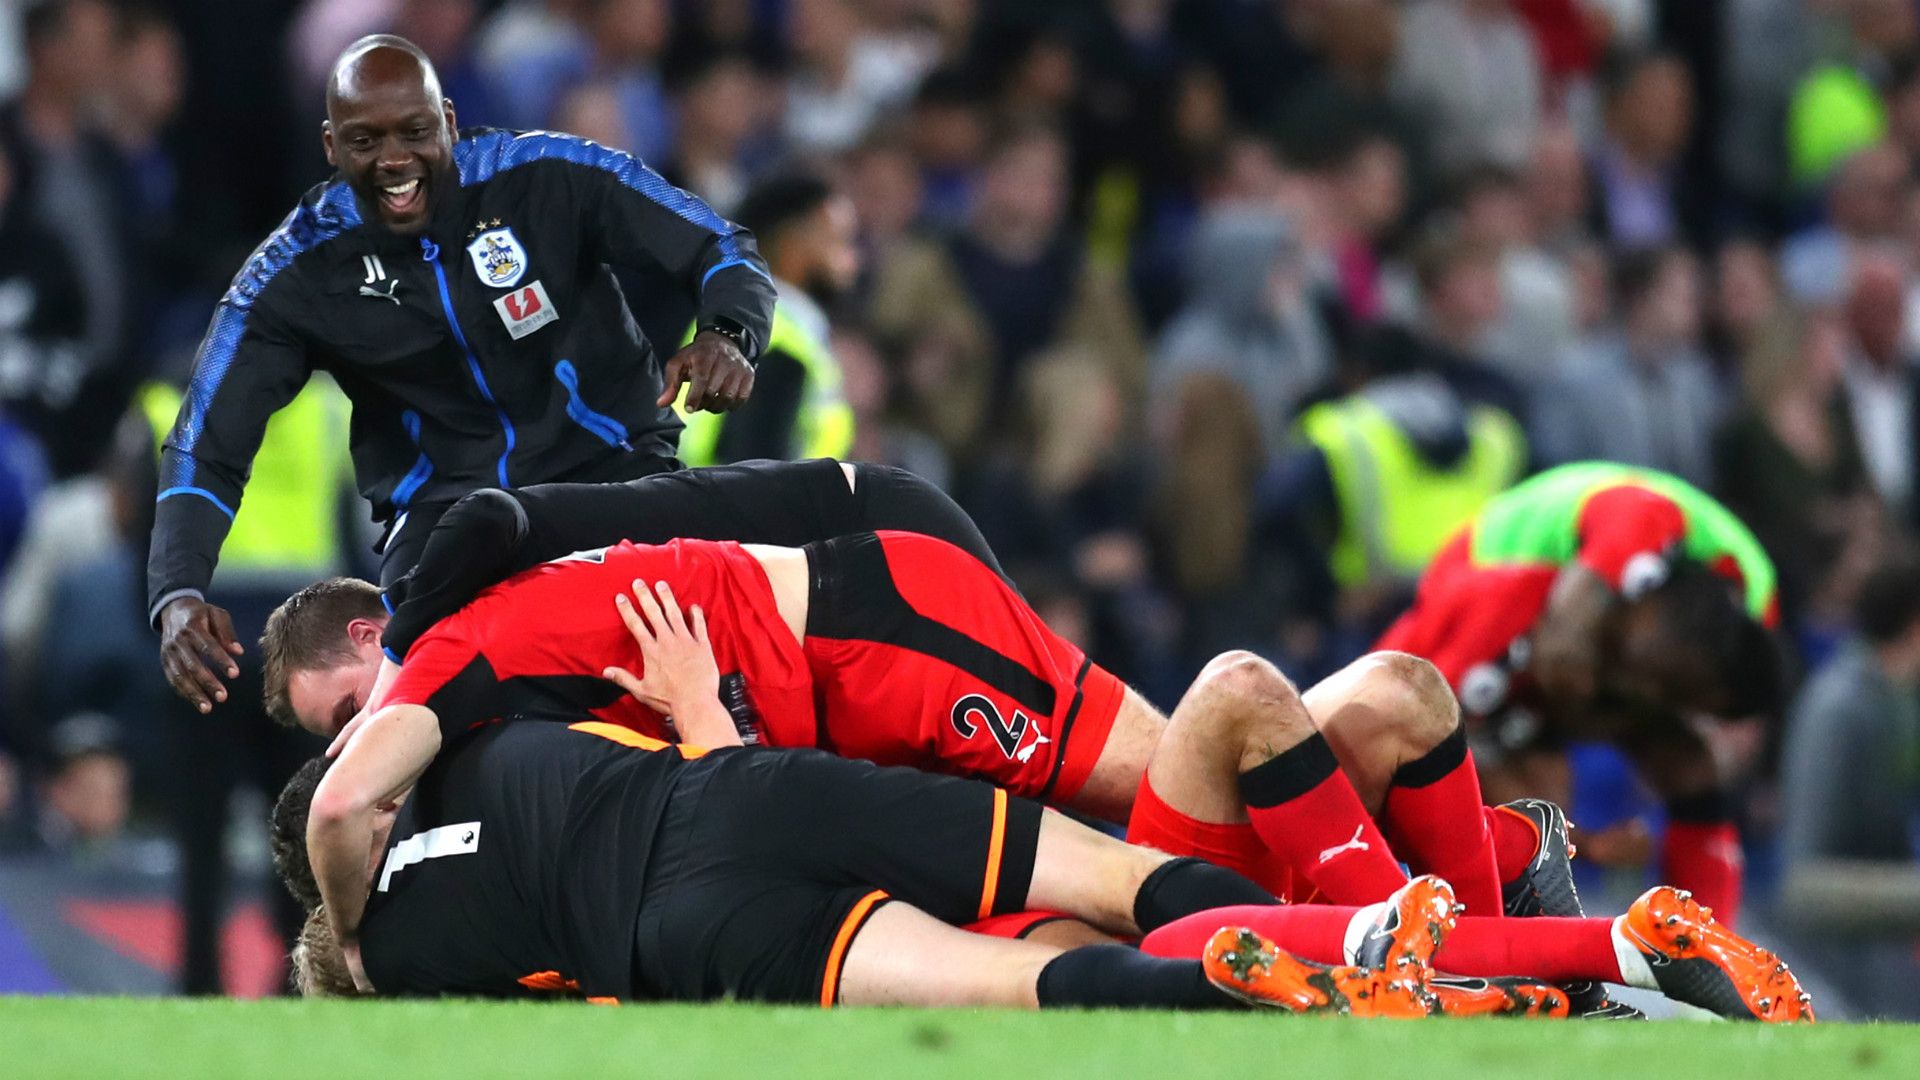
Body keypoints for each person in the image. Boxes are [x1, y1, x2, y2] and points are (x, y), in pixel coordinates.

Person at [271, 702, 1813, 1020]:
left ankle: (1367, 958)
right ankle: (1577, 948)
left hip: (709, 913)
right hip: (768, 791)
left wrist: (348, 943)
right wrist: (703, 722)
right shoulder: (485, 733)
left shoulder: (405, 949)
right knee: (1137, 879)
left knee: (1044, 984)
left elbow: (562, 993)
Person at [148, 34, 774, 716]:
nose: (394, 160)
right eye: (365, 141)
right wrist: (177, 593)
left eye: (414, 132)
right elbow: (204, 441)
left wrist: (728, 333)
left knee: (706, 664)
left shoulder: (544, 173)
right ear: (331, 147)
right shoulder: (294, 273)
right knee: (414, 711)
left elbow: (717, 242)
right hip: (446, 520)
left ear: (447, 120)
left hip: (612, 466)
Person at [1376, 462, 1784, 925]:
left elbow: (1716, 722)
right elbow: (1562, 648)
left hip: (1569, 635)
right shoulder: (1637, 526)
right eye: (1653, 678)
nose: (1643, 692)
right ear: (1641, 588)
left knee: (1688, 767)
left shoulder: (1743, 633)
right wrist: (1576, 836)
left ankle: (1707, 950)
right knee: (1511, 785)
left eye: (1673, 694)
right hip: (1483, 585)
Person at [676, 172, 857, 466]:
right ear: (791, 247)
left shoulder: (743, 320)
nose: (852, 260)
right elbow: (755, 475)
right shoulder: (774, 337)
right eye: (839, 241)